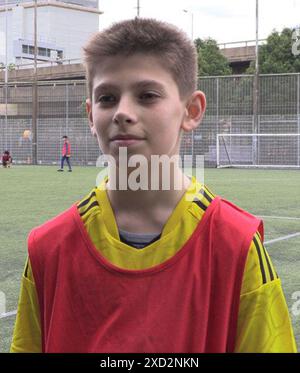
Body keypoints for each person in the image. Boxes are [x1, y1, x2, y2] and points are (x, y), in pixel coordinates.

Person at [11, 18, 297, 353]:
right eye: (107, 98)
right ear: (90, 115)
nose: (122, 112)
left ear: (191, 110)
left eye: (147, 95)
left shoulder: (237, 246)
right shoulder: (48, 249)